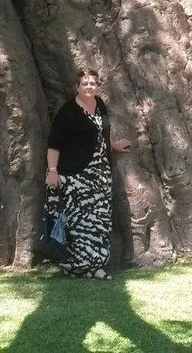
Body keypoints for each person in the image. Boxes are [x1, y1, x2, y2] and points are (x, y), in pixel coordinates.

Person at [45, 69, 131, 279]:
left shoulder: (99, 104)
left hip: (100, 174)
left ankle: (97, 265)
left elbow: (103, 131)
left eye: (92, 83)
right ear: (77, 87)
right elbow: (53, 145)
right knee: (78, 222)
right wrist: (53, 171)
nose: (89, 87)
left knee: (100, 220)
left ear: (97, 86)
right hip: (76, 176)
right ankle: (78, 267)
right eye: (85, 84)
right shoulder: (68, 112)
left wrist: (114, 145)